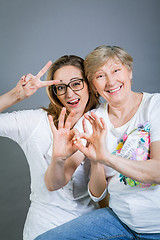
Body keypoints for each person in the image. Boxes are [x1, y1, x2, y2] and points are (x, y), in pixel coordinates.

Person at [35, 46, 160, 240]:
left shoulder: (155, 106)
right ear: (93, 85)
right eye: (100, 76)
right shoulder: (91, 120)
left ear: (130, 71)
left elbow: (157, 172)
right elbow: (95, 194)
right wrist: (61, 158)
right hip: (119, 222)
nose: (111, 81)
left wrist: (107, 158)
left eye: (116, 70)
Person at [0, 55, 103, 240]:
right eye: (61, 87)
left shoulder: (103, 122)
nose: (70, 94)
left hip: (89, 229)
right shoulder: (34, 122)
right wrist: (17, 95)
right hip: (43, 229)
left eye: (76, 83)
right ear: (54, 92)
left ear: (89, 84)